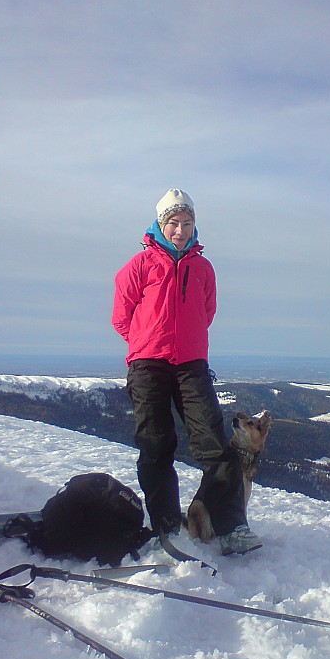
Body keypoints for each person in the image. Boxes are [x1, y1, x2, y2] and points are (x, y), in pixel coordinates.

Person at [112, 188, 261, 554]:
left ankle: (231, 527)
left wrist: (186, 343)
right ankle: (166, 523)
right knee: (156, 445)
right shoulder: (140, 265)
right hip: (148, 365)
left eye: (187, 222)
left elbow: (207, 313)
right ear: (161, 224)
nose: (180, 229)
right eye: (173, 222)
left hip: (192, 364)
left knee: (213, 445)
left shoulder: (202, 268)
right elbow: (121, 318)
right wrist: (147, 344)